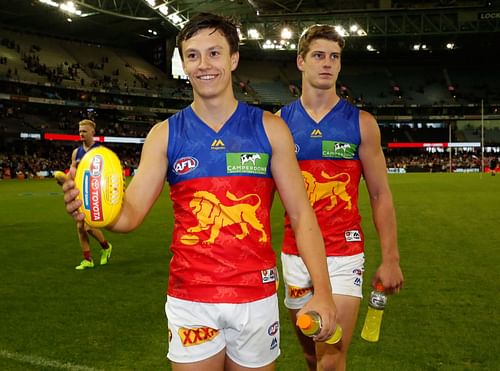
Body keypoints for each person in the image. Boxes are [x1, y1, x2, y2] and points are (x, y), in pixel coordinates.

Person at [62, 13, 337, 371]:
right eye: (193, 55)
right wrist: (94, 209)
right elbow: (129, 216)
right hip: (191, 297)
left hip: (255, 296)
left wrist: (325, 293)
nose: (203, 65)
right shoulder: (165, 134)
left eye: (214, 53)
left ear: (233, 59)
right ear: (183, 63)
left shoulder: (271, 129)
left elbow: (301, 216)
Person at [278, 24, 405, 371]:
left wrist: (390, 257)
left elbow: (380, 194)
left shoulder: (361, 123)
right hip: (296, 254)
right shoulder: (278, 125)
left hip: (344, 252)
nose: (327, 64)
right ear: (301, 61)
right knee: (310, 356)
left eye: (334, 57)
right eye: (319, 55)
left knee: (331, 358)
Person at [71, 119, 113, 270]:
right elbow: (73, 172)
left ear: (93, 132)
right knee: (80, 227)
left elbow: (109, 173)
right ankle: (88, 259)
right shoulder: (76, 152)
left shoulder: (101, 151)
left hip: (95, 194)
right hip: (80, 194)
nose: (81, 133)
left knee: (88, 227)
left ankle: (106, 247)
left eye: (84, 131)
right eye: (80, 131)